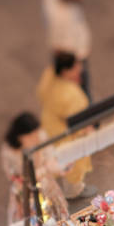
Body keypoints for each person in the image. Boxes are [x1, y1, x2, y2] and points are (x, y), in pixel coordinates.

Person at [1, 112, 67, 226]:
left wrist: (60, 168)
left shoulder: (40, 136)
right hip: (25, 189)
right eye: (30, 135)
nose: (35, 137)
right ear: (20, 137)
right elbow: (12, 175)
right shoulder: (9, 151)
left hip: (45, 183)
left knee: (56, 214)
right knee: (32, 223)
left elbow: (50, 158)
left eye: (36, 133)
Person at [37, 52, 96, 199]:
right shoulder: (71, 94)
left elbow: (40, 93)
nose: (80, 69)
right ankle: (74, 191)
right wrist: (89, 130)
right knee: (73, 165)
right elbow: (79, 122)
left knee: (57, 158)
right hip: (67, 135)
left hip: (49, 123)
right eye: (75, 67)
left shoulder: (49, 74)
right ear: (65, 71)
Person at [42, 0, 92, 102]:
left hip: (73, 59)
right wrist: (75, 64)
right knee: (82, 95)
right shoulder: (60, 19)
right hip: (73, 59)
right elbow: (59, 47)